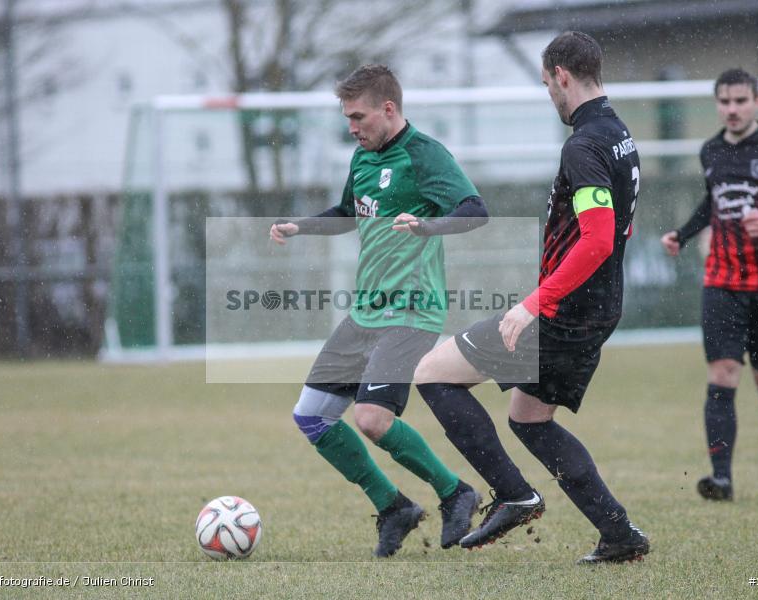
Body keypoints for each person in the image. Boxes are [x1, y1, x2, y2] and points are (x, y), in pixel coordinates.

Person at [413, 31, 649, 564]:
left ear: (562, 76)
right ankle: (619, 534)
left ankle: (514, 495)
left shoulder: (583, 145)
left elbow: (597, 239)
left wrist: (533, 303)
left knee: (431, 373)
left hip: (564, 312)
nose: (549, 96)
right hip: (597, 307)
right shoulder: (618, 133)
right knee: (529, 418)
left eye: (546, 84)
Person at [269, 64, 488, 557]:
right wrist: (300, 226)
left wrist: (428, 226)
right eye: (347, 118)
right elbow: (348, 213)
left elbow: (475, 211)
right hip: (367, 310)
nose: (352, 127)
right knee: (312, 417)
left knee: (370, 418)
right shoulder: (363, 157)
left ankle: (456, 492)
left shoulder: (424, 154)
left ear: (388, 109)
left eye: (358, 117)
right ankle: (394, 507)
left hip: (412, 310)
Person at [661, 68, 758, 501]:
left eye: (740, 101)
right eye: (724, 101)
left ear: (757, 102)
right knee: (723, 372)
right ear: (717, 104)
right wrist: (683, 234)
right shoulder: (711, 150)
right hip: (723, 281)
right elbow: (712, 202)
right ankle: (721, 479)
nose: (732, 109)